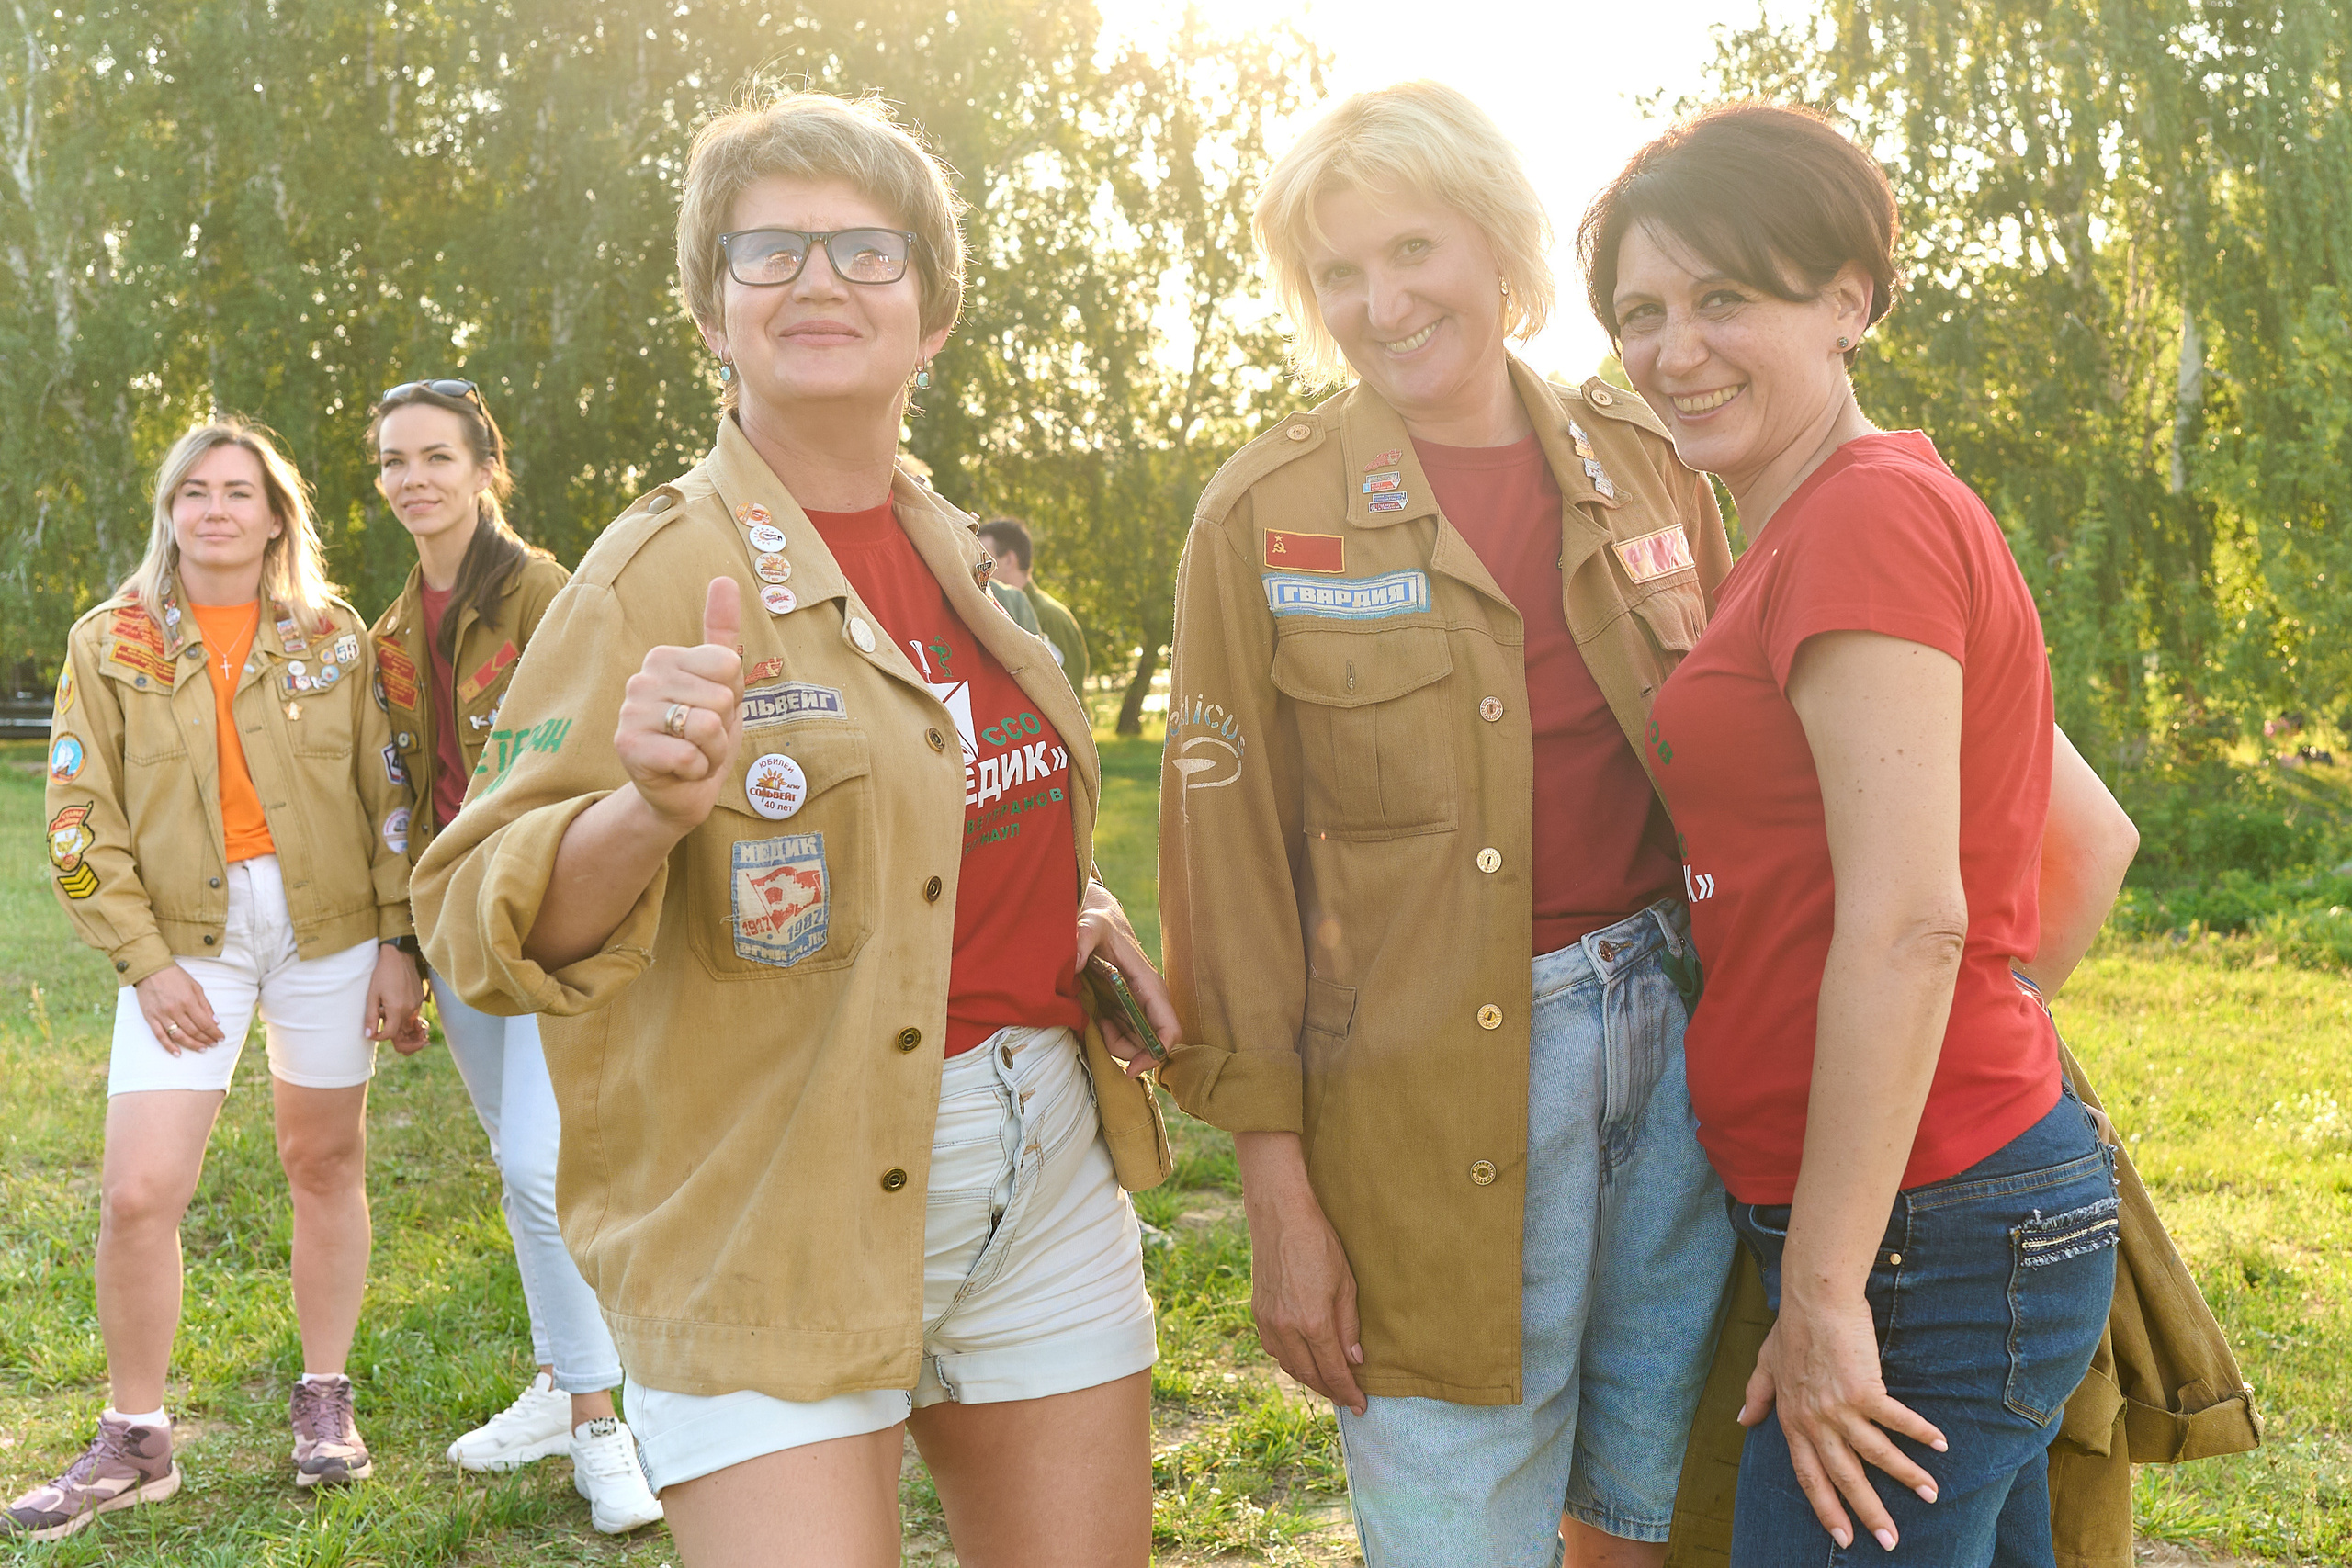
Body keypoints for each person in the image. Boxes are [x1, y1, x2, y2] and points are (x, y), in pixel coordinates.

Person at [412, 90, 1176, 1568]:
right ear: (712, 307)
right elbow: (479, 924)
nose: (820, 280)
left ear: (932, 312)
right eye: (769, 252)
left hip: (1042, 1167)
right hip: (770, 1195)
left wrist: (1071, 910)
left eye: (867, 251)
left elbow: (955, 809)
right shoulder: (654, 566)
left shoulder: (960, 552)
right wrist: (646, 809)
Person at [1157, 81, 1738, 1568]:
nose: (1382, 301)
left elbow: (1751, 777)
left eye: (1412, 250)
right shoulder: (1261, 517)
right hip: (1424, 1103)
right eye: (1338, 274)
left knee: (1652, 1492)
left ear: (1495, 246)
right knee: (1456, 1522)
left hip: (1686, 1058)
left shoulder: (1650, 458)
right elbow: (1227, 885)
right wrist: (1276, 1195)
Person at [1581, 103, 2137, 1562]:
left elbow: (1912, 918)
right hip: (1944, 1206)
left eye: (1723, 297)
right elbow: (2094, 834)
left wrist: (1832, 1287)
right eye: (1640, 311)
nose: (1672, 348)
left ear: (1848, 300)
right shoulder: (1854, 513)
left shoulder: (1859, 524)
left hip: (1919, 1240)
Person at [6, 420, 424, 1540]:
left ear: (277, 513)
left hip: (328, 928)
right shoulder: (112, 641)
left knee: (322, 1158)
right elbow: (77, 816)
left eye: (240, 491)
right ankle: (136, 1436)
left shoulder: (333, 638)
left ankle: (324, 1402)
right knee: (141, 1192)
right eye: (194, 492)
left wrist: (398, 942)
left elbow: (389, 797)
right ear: (170, 511)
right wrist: (143, 962)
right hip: (188, 935)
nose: (216, 510)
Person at [367, 378, 662, 1532]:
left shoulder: (549, 592)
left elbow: (597, 750)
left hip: (546, 911)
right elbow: (393, 800)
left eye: (436, 457)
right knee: (520, 1164)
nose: (413, 480)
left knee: (548, 1167)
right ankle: (558, 1381)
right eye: (393, 461)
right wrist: (399, 942)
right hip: (452, 928)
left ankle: (601, 1425)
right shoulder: (392, 632)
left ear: (487, 468)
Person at [976, 516, 1089, 692]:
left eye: (983, 558)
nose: (978, 567)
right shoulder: (993, 612)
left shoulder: (1051, 617)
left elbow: (1068, 694)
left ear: (1008, 560)